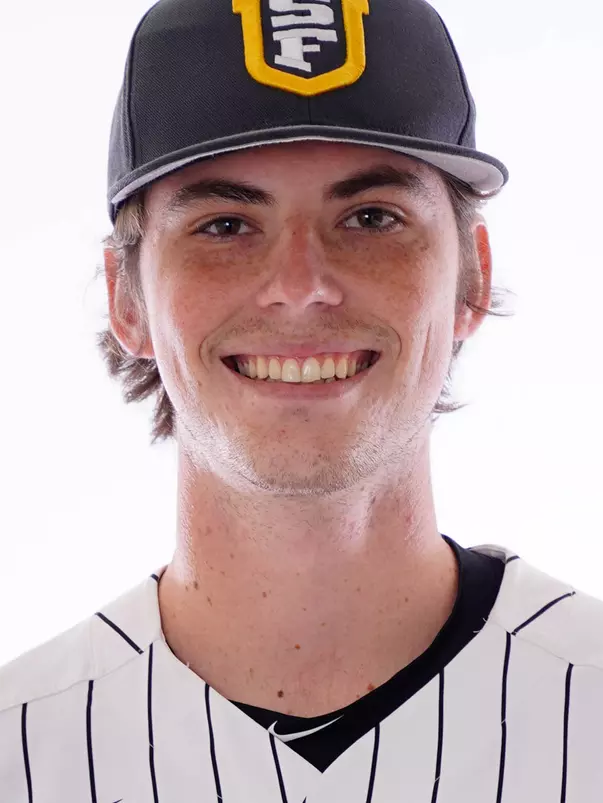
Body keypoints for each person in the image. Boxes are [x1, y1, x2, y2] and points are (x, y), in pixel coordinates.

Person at [2, 0, 602, 799]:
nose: (300, 286)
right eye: (223, 225)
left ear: (471, 273)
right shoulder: (20, 750)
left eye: (370, 216)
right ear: (127, 300)